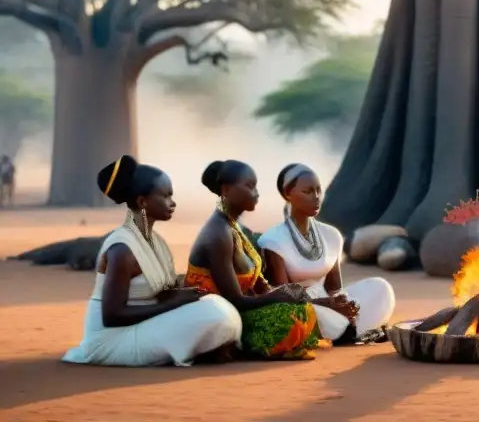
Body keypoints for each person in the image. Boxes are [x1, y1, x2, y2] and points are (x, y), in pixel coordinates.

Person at [63, 155, 242, 367]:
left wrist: (194, 287)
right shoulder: (122, 250)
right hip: (112, 340)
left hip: (142, 324)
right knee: (215, 315)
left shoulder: (156, 242)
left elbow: (159, 290)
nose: (173, 203)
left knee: (216, 305)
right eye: (166, 196)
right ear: (142, 201)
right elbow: (112, 316)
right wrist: (172, 304)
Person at [184, 159, 321, 359]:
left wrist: (280, 292)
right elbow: (235, 300)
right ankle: (237, 347)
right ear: (227, 190)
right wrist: (276, 296)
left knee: (301, 308)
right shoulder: (218, 234)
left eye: (256, 186)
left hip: (241, 308)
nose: (256, 193)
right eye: (250, 186)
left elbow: (258, 285)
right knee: (290, 318)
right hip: (221, 316)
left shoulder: (234, 226)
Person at [259, 163, 395, 345]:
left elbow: (334, 287)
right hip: (300, 306)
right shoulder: (273, 240)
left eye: (318, 190)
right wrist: (328, 304)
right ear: (287, 194)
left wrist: (343, 302)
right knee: (325, 319)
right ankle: (354, 331)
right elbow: (282, 296)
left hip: (328, 301)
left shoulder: (331, 235)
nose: (316, 198)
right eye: (307, 191)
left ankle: (351, 331)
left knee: (381, 288)